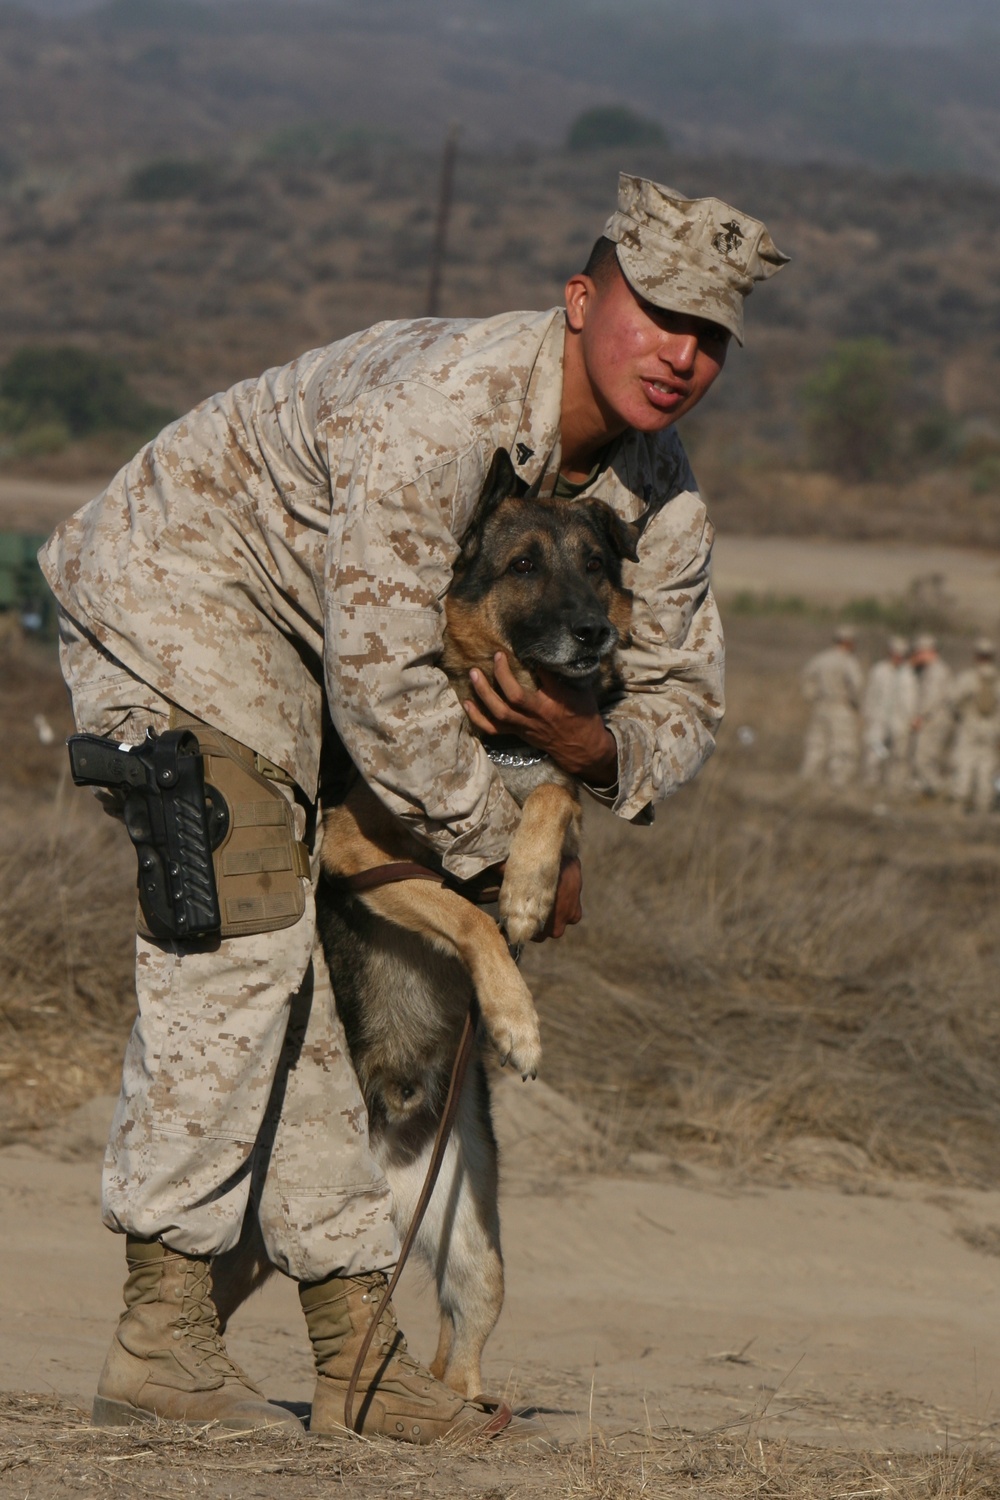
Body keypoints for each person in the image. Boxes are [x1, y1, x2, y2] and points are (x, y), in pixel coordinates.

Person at [39, 174, 788, 1441]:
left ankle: (357, 1355)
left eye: (709, 335)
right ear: (577, 298)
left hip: (303, 644)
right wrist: (512, 853)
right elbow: (387, 682)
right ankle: (163, 1345)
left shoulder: (656, 486)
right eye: (654, 314)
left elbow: (682, 702)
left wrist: (591, 755)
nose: (680, 354)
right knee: (233, 944)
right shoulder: (440, 410)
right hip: (181, 590)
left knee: (312, 990)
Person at [799, 625, 863, 786]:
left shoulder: (821, 659)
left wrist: (812, 697)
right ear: (849, 642)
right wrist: (856, 705)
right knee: (842, 747)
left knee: (816, 745)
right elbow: (857, 685)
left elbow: (806, 678)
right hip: (841, 708)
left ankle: (807, 781)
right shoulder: (849, 661)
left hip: (820, 707)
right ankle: (838, 783)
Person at [949, 638, 1000, 815]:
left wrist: (959, 716)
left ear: (976, 656)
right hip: (992, 732)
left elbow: (953, 700)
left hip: (969, 729)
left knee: (965, 764)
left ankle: (960, 803)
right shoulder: (998, 680)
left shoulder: (968, 678)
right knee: (987, 767)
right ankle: (984, 806)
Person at [861, 634, 916, 791]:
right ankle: (870, 784)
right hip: (879, 720)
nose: (898, 657)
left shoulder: (908, 674)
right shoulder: (879, 670)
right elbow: (870, 694)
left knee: (899, 755)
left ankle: (895, 787)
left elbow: (911, 700)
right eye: (895, 653)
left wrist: (911, 719)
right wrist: (868, 715)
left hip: (900, 722)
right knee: (875, 752)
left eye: (902, 654)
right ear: (890, 652)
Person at [910, 634, 954, 796]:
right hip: (934, 718)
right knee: (926, 758)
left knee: (924, 758)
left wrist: (919, 716)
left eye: (919, 652)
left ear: (929, 651)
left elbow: (931, 698)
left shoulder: (937, 671)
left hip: (934, 719)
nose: (917, 656)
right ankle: (930, 790)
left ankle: (937, 790)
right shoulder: (931, 670)